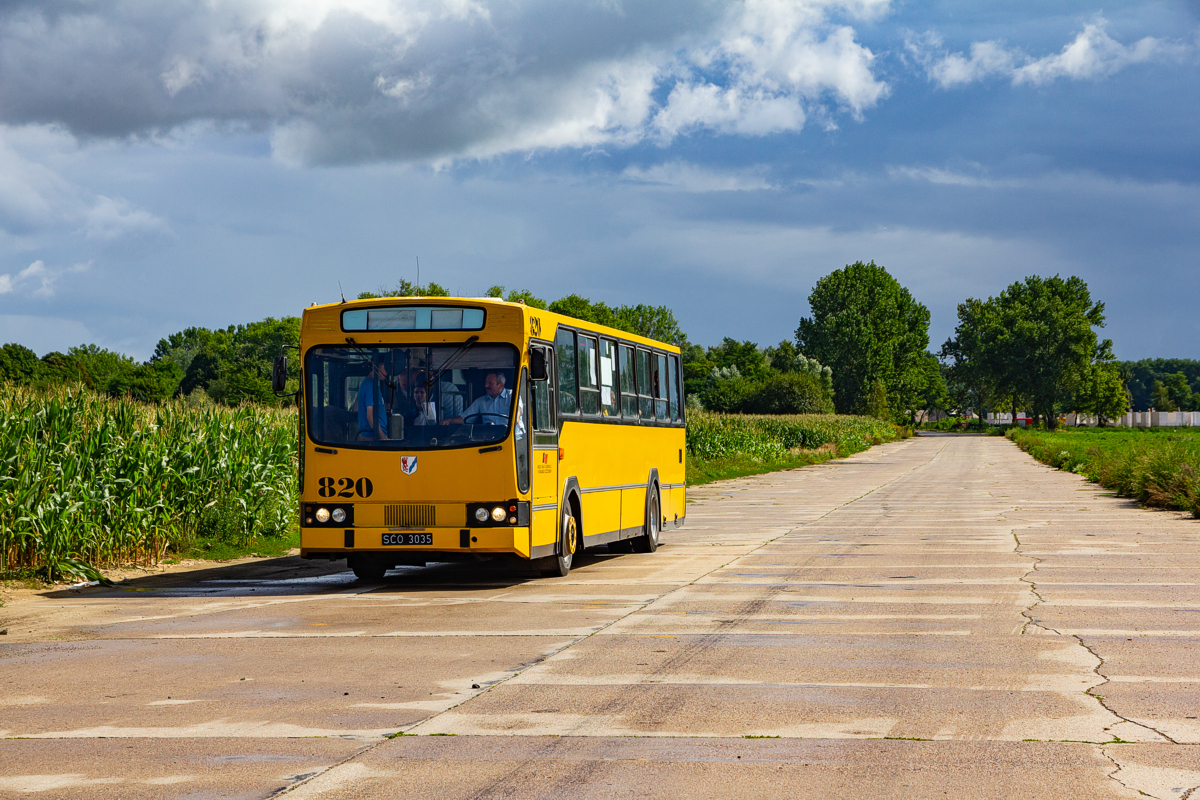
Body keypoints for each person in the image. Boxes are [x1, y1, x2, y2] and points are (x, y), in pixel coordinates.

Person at [443, 371, 511, 425]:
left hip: (511, 438)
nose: (486, 385)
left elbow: (517, 415)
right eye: (486, 382)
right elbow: (464, 418)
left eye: (490, 383)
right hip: (490, 439)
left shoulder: (512, 396)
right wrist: (449, 420)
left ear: (500, 385)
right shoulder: (481, 401)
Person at [357, 353, 390, 441]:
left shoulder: (370, 384)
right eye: (385, 368)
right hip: (371, 437)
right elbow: (370, 416)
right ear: (376, 366)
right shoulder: (370, 386)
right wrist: (384, 439)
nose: (387, 373)